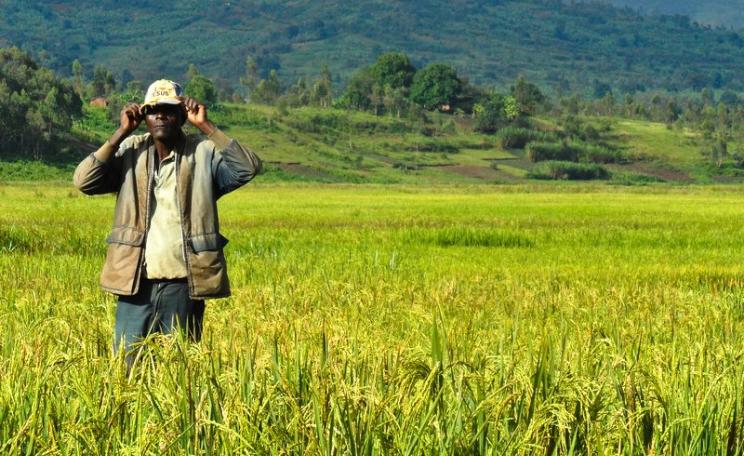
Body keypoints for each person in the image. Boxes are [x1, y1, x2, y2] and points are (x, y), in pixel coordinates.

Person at [73, 79, 262, 355]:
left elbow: (247, 168)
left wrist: (206, 127)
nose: (160, 115)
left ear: (183, 116)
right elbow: (83, 180)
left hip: (184, 284)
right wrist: (121, 132)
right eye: (153, 110)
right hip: (135, 285)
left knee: (179, 370)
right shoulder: (131, 151)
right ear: (144, 117)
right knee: (127, 369)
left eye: (169, 110)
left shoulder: (203, 153)